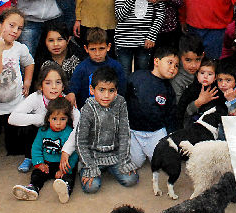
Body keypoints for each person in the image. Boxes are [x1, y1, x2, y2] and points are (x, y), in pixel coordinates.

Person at [0, 8, 35, 162]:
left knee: (16, 149)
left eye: (19, 28)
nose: (15, 31)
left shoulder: (20, 48)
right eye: (11, 25)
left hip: (13, 106)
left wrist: (27, 82)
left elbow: (29, 63)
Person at [76, 66, 138, 194]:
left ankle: (111, 169)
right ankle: (90, 170)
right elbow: (80, 141)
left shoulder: (120, 103)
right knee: (91, 187)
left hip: (114, 156)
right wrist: (89, 166)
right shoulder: (88, 109)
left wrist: (124, 160)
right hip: (92, 157)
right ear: (92, 90)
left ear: (116, 91)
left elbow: (124, 134)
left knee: (131, 179)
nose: (106, 95)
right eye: (101, 90)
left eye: (111, 91)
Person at [9, 63, 80, 175]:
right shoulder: (35, 97)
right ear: (40, 86)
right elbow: (12, 118)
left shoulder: (67, 101)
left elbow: (79, 127)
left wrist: (66, 150)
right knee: (26, 128)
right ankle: (29, 157)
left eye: (58, 82)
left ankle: (64, 159)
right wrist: (44, 119)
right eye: (48, 83)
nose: (53, 87)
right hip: (40, 136)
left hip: (61, 138)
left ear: (63, 86)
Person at [12, 97, 79, 203]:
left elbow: (74, 153)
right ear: (48, 118)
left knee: (69, 177)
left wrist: (65, 169)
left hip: (62, 165)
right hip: (47, 164)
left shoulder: (69, 133)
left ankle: (65, 190)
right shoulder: (43, 131)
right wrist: (39, 163)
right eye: (54, 119)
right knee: (37, 174)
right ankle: (33, 188)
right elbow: (36, 147)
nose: (58, 123)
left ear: (68, 119)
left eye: (62, 119)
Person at [125, 45, 178, 167]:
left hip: (156, 131)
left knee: (162, 162)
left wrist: (171, 136)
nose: (173, 68)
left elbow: (170, 115)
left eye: (176, 66)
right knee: (135, 163)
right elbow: (124, 98)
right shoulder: (136, 77)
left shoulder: (169, 89)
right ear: (157, 61)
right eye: (170, 62)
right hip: (134, 130)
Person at [66, 27, 128, 109]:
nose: (97, 53)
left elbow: (122, 91)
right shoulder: (81, 68)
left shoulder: (115, 66)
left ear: (108, 47)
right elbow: (73, 89)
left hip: (111, 110)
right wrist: (71, 95)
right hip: (88, 111)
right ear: (86, 49)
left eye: (101, 48)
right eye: (93, 49)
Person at [176, 58, 224, 128]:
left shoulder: (217, 90)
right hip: (193, 122)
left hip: (214, 123)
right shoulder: (192, 89)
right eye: (202, 73)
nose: (205, 76)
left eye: (210, 74)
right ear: (197, 75)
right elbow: (181, 109)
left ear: (215, 77)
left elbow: (223, 107)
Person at [169, 34, 205, 101]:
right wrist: (198, 103)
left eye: (198, 59)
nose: (193, 65)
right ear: (180, 56)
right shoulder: (177, 80)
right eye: (188, 60)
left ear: (203, 55)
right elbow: (178, 108)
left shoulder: (205, 71)